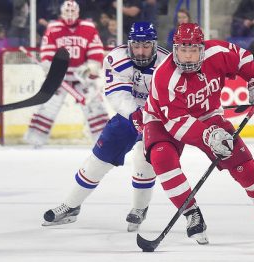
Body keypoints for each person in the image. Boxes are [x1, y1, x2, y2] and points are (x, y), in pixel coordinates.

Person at [143, 23, 254, 244]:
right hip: (162, 119)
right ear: (175, 49)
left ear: (202, 49)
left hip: (208, 114)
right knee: (162, 157)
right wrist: (208, 136)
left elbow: (243, 58)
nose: (187, 57)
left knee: (243, 165)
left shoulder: (218, 52)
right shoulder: (164, 76)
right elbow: (176, 123)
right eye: (182, 50)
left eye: (193, 50)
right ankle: (191, 213)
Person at [42, 22, 169, 231]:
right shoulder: (116, 58)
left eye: (146, 45)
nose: (140, 51)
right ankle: (71, 206)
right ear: (129, 44)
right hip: (128, 116)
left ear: (154, 45)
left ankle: (139, 208)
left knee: (143, 158)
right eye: (136, 45)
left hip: (156, 119)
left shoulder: (167, 62)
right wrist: (134, 114)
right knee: (97, 161)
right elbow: (117, 93)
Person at [24, 0, 110, 146]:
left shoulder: (88, 27)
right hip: (59, 76)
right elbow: (48, 49)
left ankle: (104, 140)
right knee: (48, 105)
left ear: (78, 13)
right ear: (61, 13)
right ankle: (35, 138)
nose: (70, 15)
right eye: (67, 12)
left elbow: (95, 50)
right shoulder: (54, 27)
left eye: (72, 12)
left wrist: (91, 67)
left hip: (81, 76)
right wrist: (48, 65)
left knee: (94, 106)